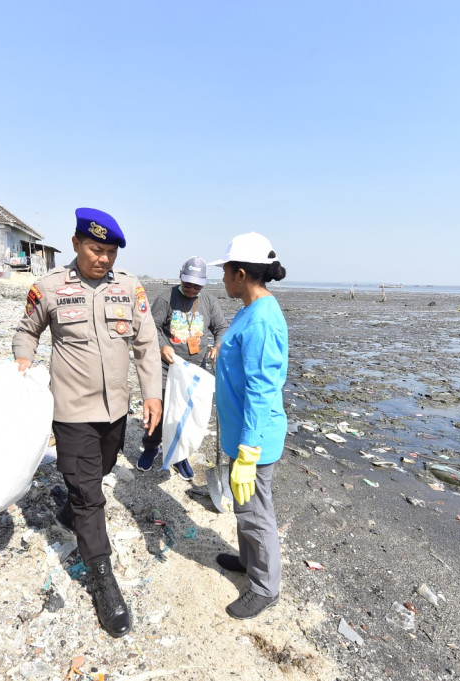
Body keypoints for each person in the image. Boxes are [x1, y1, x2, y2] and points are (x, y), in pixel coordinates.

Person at [12, 207, 162, 638]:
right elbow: (28, 331)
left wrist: (152, 393)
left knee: (101, 470)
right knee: (90, 496)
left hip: (115, 410)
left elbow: (146, 343)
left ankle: (71, 507)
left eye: (111, 251)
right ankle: (103, 579)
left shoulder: (130, 289)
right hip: (72, 412)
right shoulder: (48, 289)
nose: (104, 259)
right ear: (76, 243)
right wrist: (24, 358)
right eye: (96, 249)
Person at [208, 232, 288, 620]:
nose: (221, 278)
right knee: (245, 506)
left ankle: (265, 587)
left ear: (241, 274)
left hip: (254, 438)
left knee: (256, 512)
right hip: (242, 433)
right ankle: (247, 559)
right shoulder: (247, 309)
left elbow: (262, 388)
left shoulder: (263, 320)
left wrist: (249, 451)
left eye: (224, 271)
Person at [137, 256, 228, 479]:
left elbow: (221, 327)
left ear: (204, 283)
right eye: (187, 284)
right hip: (168, 369)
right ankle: (150, 447)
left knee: (184, 417)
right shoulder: (166, 298)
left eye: (196, 285)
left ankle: (180, 455)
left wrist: (218, 344)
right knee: (160, 411)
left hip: (195, 372)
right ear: (180, 277)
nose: (191, 289)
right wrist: (162, 347)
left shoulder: (208, 302)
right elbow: (152, 328)